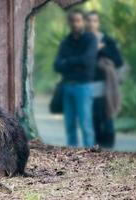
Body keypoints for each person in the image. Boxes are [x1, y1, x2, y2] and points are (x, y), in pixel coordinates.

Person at [54, 10, 98, 147]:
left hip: (83, 86)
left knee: (86, 124)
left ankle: (91, 155)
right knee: (70, 125)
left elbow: (87, 61)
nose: (75, 23)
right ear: (69, 22)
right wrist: (74, 62)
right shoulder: (66, 41)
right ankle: (73, 153)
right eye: (72, 21)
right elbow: (57, 65)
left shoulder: (90, 39)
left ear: (83, 22)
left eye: (78, 20)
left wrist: (67, 62)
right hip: (67, 87)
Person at [86, 11, 123, 148]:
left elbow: (118, 61)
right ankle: (96, 148)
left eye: (94, 21)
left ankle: (109, 147)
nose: (91, 24)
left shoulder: (108, 41)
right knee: (93, 119)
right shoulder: (81, 41)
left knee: (107, 117)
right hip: (87, 86)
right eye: (89, 21)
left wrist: (103, 51)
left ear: (98, 23)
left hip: (106, 87)